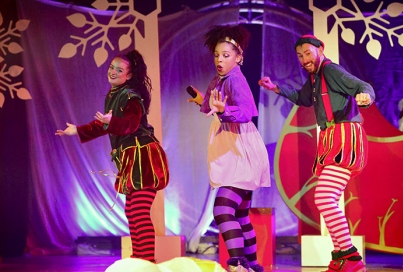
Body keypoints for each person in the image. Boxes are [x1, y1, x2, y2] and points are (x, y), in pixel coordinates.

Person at [259, 34, 375, 272]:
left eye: (308, 54)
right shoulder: (315, 78)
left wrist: (365, 96)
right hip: (332, 137)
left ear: (320, 50)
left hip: (344, 135)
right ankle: (342, 257)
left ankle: (351, 259)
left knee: (324, 197)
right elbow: (303, 99)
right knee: (326, 199)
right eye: (300, 56)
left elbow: (362, 85)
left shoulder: (331, 70)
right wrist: (276, 88)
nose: (304, 59)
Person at [56, 50, 169, 263]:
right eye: (111, 68)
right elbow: (104, 124)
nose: (113, 72)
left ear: (128, 76)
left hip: (142, 156)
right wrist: (77, 130)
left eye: (119, 70)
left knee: (139, 211)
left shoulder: (130, 96)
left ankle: (147, 262)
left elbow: (131, 124)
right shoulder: (114, 95)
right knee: (132, 211)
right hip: (131, 158)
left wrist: (111, 122)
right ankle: (139, 259)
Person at [188, 25, 270, 272]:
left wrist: (225, 111)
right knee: (241, 216)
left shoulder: (235, 79)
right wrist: (203, 101)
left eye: (225, 55)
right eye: (216, 55)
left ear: (239, 57)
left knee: (223, 210)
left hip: (239, 153)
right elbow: (215, 106)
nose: (220, 60)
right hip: (233, 150)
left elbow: (246, 112)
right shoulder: (221, 79)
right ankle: (253, 265)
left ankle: (238, 264)